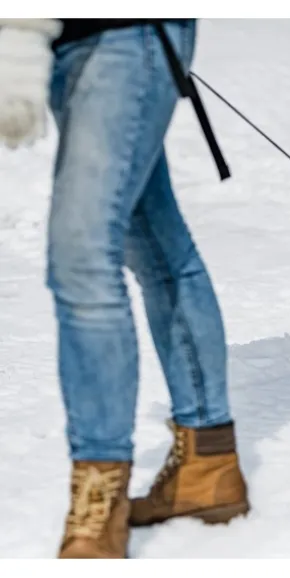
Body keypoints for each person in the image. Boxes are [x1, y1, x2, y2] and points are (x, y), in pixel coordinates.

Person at [0, 18, 249, 558]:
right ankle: (207, 461)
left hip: (122, 35)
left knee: (82, 255)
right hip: (83, 41)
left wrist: (17, 30)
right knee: (154, 239)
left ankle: (98, 499)